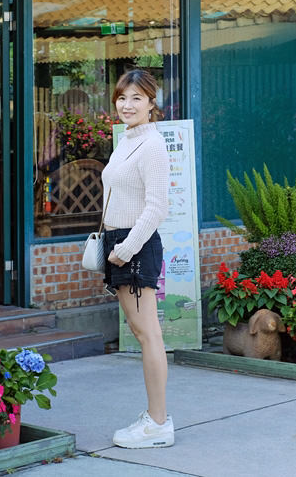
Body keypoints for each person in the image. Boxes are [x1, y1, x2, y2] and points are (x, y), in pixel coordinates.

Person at [101, 68, 173, 449]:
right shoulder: (127, 140)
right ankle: (155, 419)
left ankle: (158, 422)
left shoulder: (153, 146)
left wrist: (126, 248)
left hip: (135, 247)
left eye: (136, 99)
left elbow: (157, 206)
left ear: (151, 103)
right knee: (142, 332)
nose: (127, 105)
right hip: (119, 244)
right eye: (122, 98)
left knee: (149, 335)